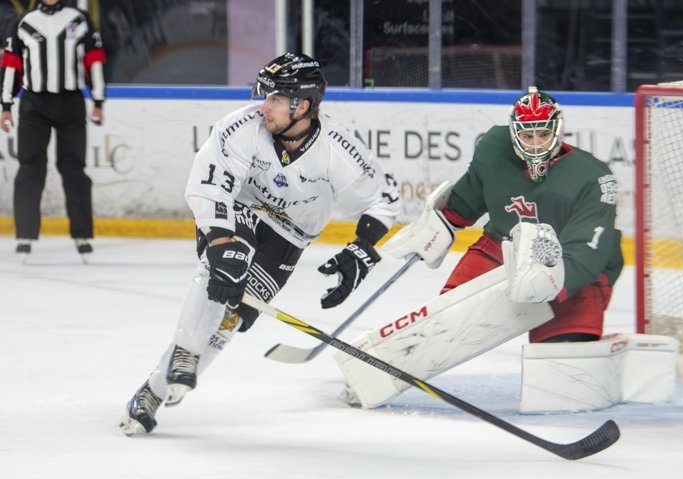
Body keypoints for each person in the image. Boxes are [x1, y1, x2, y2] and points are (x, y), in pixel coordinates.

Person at [117, 52, 400, 436]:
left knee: (230, 318)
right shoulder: (241, 127)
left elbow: (384, 197)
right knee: (224, 269)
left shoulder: (337, 147)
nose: (264, 105)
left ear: (302, 106)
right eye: (266, 95)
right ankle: (184, 352)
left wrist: (363, 246)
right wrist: (220, 242)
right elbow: (209, 184)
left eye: (275, 99)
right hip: (240, 209)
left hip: (290, 235)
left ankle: (155, 388)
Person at [384, 87, 623, 345]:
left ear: (557, 130)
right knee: (446, 325)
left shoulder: (594, 177)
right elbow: (472, 193)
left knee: (560, 352)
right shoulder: (494, 148)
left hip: (569, 263)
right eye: (527, 135)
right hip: (501, 247)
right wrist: (440, 223)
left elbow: (590, 249)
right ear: (514, 133)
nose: (536, 144)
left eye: (543, 134)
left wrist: (555, 279)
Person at [0, 0, 106, 260]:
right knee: (30, 168)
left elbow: (94, 59)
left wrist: (98, 101)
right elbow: (11, 64)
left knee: (74, 169)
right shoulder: (24, 22)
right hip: (34, 104)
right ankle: (25, 234)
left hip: (71, 102)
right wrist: (6, 105)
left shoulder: (78, 19)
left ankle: (81, 235)